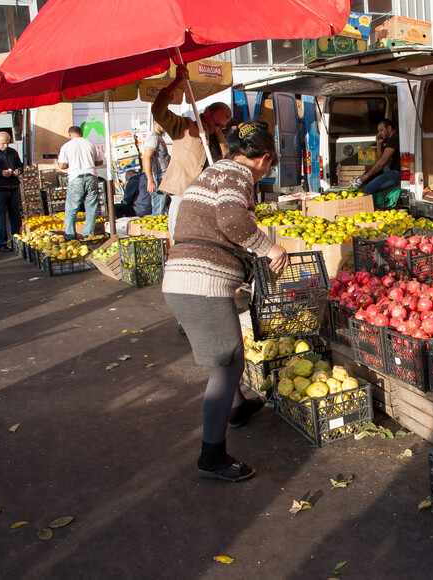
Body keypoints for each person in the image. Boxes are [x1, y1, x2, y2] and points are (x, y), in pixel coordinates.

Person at [162, 121, 288, 482]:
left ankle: (238, 409)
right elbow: (231, 219)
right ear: (263, 159)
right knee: (227, 364)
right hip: (200, 285)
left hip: (189, 280)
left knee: (226, 351)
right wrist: (269, 247)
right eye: (270, 165)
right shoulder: (236, 173)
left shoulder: (217, 170)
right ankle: (212, 456)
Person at [151, 65, 232, 236]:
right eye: (216, 123)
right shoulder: (185, 127)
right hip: (183, 192)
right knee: (179, 233)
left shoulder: (219, 139)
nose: (218, 128)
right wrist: (175, 83)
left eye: (222, 126)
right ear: (207, 112)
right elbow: (158, 112)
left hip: (207, 195)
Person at [57, 125, 104, 240]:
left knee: (72, 208)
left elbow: (62, 165)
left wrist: (71, 163)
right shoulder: (90, 143)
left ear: (70, 134)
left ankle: (70, 235)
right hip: (91, 176)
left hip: (76, 177)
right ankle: (88, 234)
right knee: (91, 206)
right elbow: (99, 161)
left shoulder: (66, 146)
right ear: (82, 133)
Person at [357, 118, 400, 196]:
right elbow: (381, 158)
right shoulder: (390, 139)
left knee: (368, 189)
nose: (379, 133)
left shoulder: (393, 139)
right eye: (378, 131)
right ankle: (360, 180)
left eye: (381, 130)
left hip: (396, 173)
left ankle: (370, 207)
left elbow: (383, 161)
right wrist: (379, 144)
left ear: (389, 128)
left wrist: (367, 175)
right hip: (392, 169)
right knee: (375, 170)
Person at [142, 122, 171, 216]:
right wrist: (150, 180)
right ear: (155, 123)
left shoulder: (159, 137)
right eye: (162, 121)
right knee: (158, 212)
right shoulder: (153, 138)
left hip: (163, 178)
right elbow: (146, 157)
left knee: (164, 210)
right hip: (158, 179)